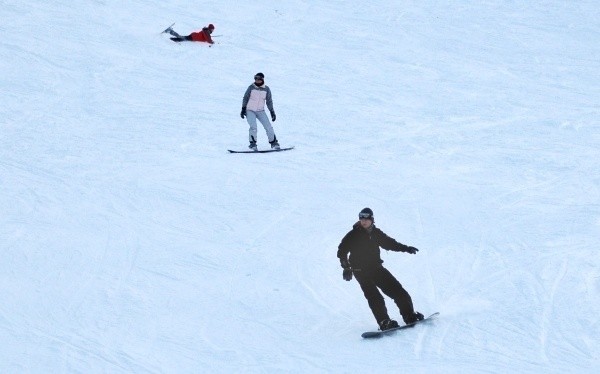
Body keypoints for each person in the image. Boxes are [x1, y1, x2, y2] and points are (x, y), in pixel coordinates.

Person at [337, 208, 424, 331]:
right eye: (361, 218)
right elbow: (342, 251)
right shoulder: (353, 235)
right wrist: (346, 267)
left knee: (399, 291)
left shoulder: (376, 233)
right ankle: (384, 322)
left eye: (366, 219)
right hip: (360, 271)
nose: (364, 221)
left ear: (372, 219)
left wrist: (406, 248)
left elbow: (390, 243)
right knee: (375, 297)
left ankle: (409, 316)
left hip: (376, 268)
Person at [240, 73, 279, 151]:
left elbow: (269, 101)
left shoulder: (266, 89)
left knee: (268, 127)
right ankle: (252, 144)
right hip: (250, 110)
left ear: (262, 79)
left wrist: (272, 112)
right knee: (253, 127)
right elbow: (245, 98)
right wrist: (243, 109)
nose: (256, 80)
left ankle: (274, 143)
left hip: (260, 111)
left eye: (258, 79)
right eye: (255, 79)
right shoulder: (251, 88)